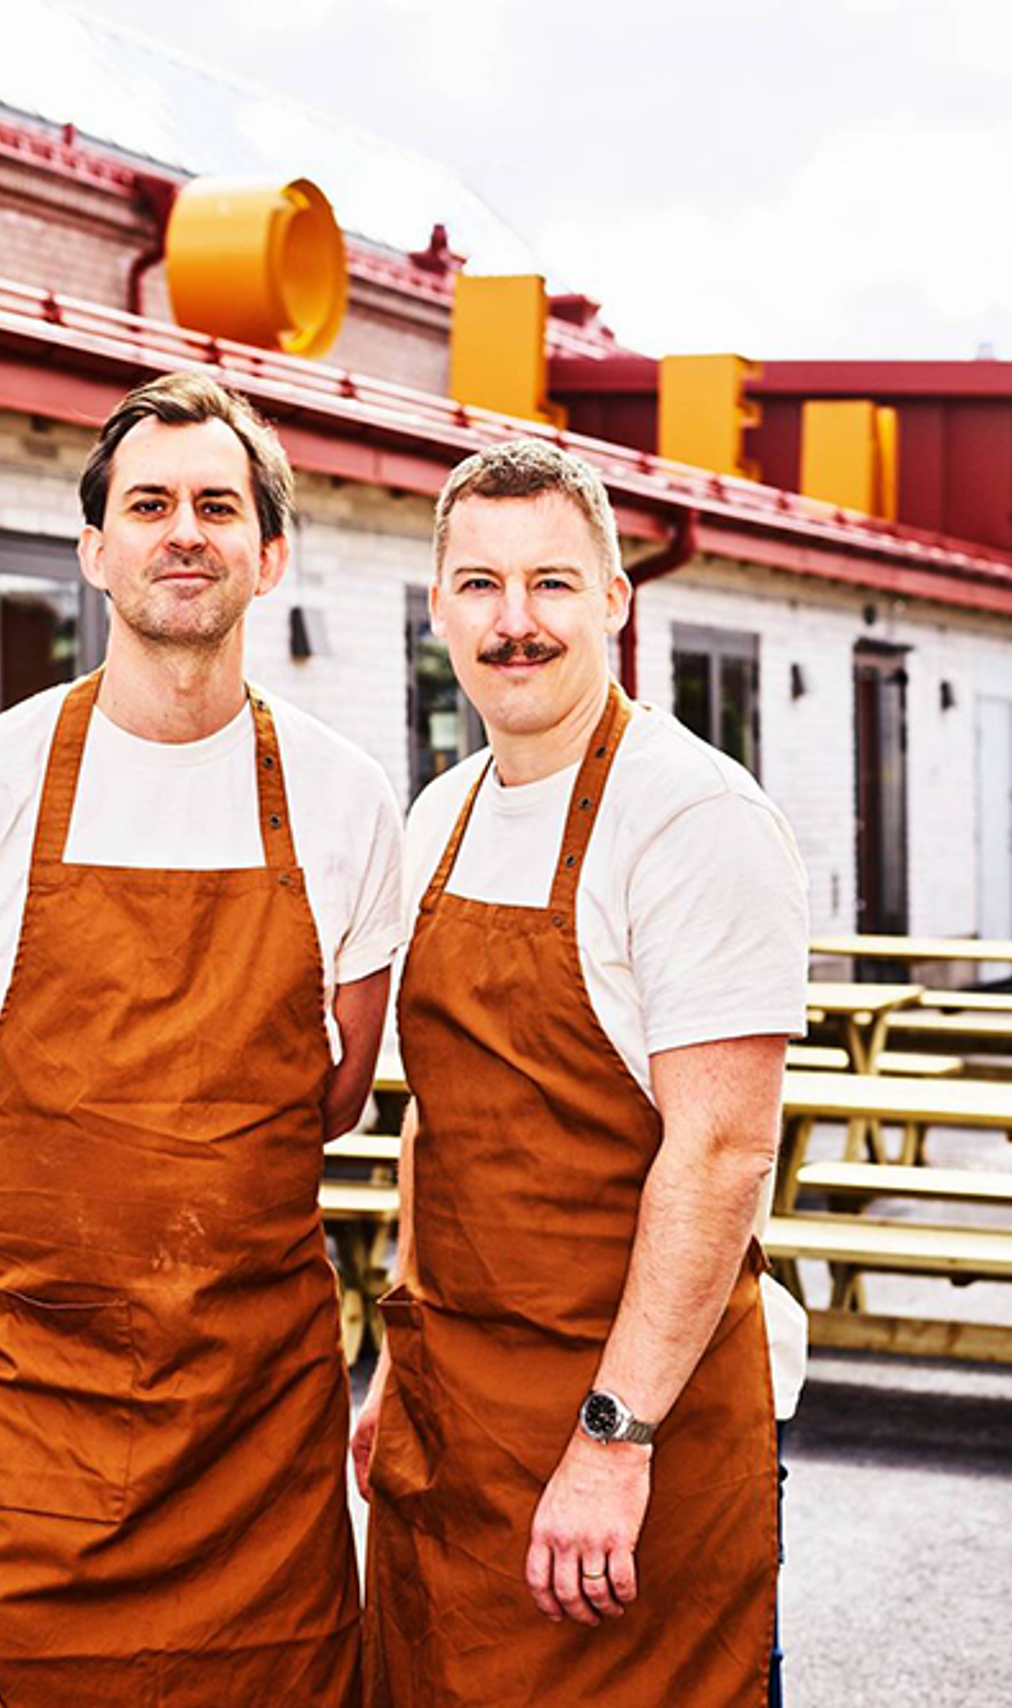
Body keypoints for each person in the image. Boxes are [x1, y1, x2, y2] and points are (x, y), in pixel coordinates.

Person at [0, 372, 403, 1708]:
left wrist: (158, 1168)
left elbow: (340, 1086)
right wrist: (39, 1184)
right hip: (33, 1390)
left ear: (270, 553)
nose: (184, 530)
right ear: (95, 550)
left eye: (219, 503)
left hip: (253, 1421)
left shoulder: (343, 797)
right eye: (148, 504)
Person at [355, 439, 808, 1707]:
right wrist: (398, 1352)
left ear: (614, 597)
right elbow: (434, 1123)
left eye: (551, 583)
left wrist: (613, 1442)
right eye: (480, 586)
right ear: (436, 604)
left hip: (633, 1422)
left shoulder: (691, 818)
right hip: (462, 1412)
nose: (514, 623)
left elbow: (719, 1154)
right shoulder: (436, 815)